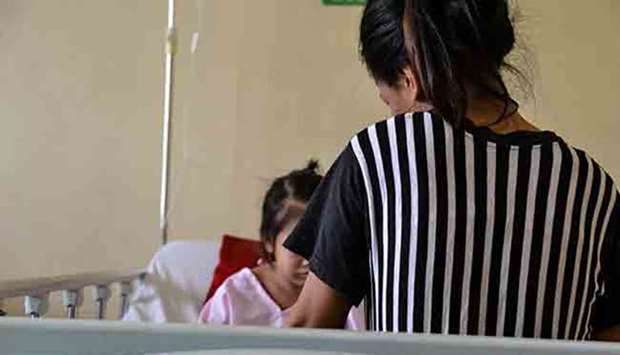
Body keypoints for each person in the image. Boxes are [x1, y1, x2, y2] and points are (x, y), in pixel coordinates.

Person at [283, 0, 620, 341]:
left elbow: (309, 327)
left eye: (390, 102)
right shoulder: (594, 189)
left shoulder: (378, 154)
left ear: (409, 79)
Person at [199, 161, 362, 329]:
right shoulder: (233, 297)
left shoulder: (345, 294)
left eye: (323, 244)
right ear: (269, 241)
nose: (311, 259)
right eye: (300, 244)